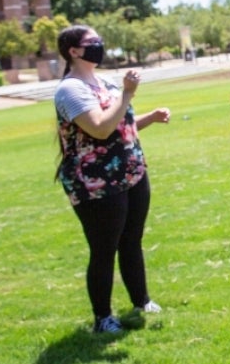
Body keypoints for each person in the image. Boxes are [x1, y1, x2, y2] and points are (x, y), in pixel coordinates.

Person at [53, 25, 169, 334]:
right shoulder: (71, 89)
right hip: (96, 184)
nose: (99, 46)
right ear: (74, 51)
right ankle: (103, 318)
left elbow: (119, 125)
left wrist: (149, 118)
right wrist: (128, 93)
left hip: (130, 173)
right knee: (104, 250)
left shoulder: (103, 81)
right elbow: (100, 129)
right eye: (91, 43)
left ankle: (141, 300)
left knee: (132, 241)